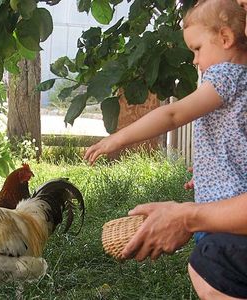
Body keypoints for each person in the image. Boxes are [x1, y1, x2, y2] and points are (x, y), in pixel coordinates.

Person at [84, 0, 247, 299]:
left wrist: (118, 138)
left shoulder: (224, 75)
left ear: (225, 38)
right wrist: (211, 170)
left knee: (207, 269)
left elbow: (172, 114)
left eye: (198, 49)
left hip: (227, 223)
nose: (196, 61)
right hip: (233, 209)